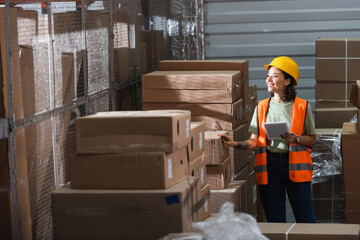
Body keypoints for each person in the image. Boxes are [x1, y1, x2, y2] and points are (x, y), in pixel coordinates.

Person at [220, 56, 316, 223]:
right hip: (269, 166)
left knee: (305, 218)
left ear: (287, 81)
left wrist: (297, 138)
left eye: (275, 76)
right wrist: (235, 144)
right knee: (275, 219)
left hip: (295, 166)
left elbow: (313, 139)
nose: (269, 80)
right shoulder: (262, 106)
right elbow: (254, 141)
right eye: (268, 75)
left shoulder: (302, 106)